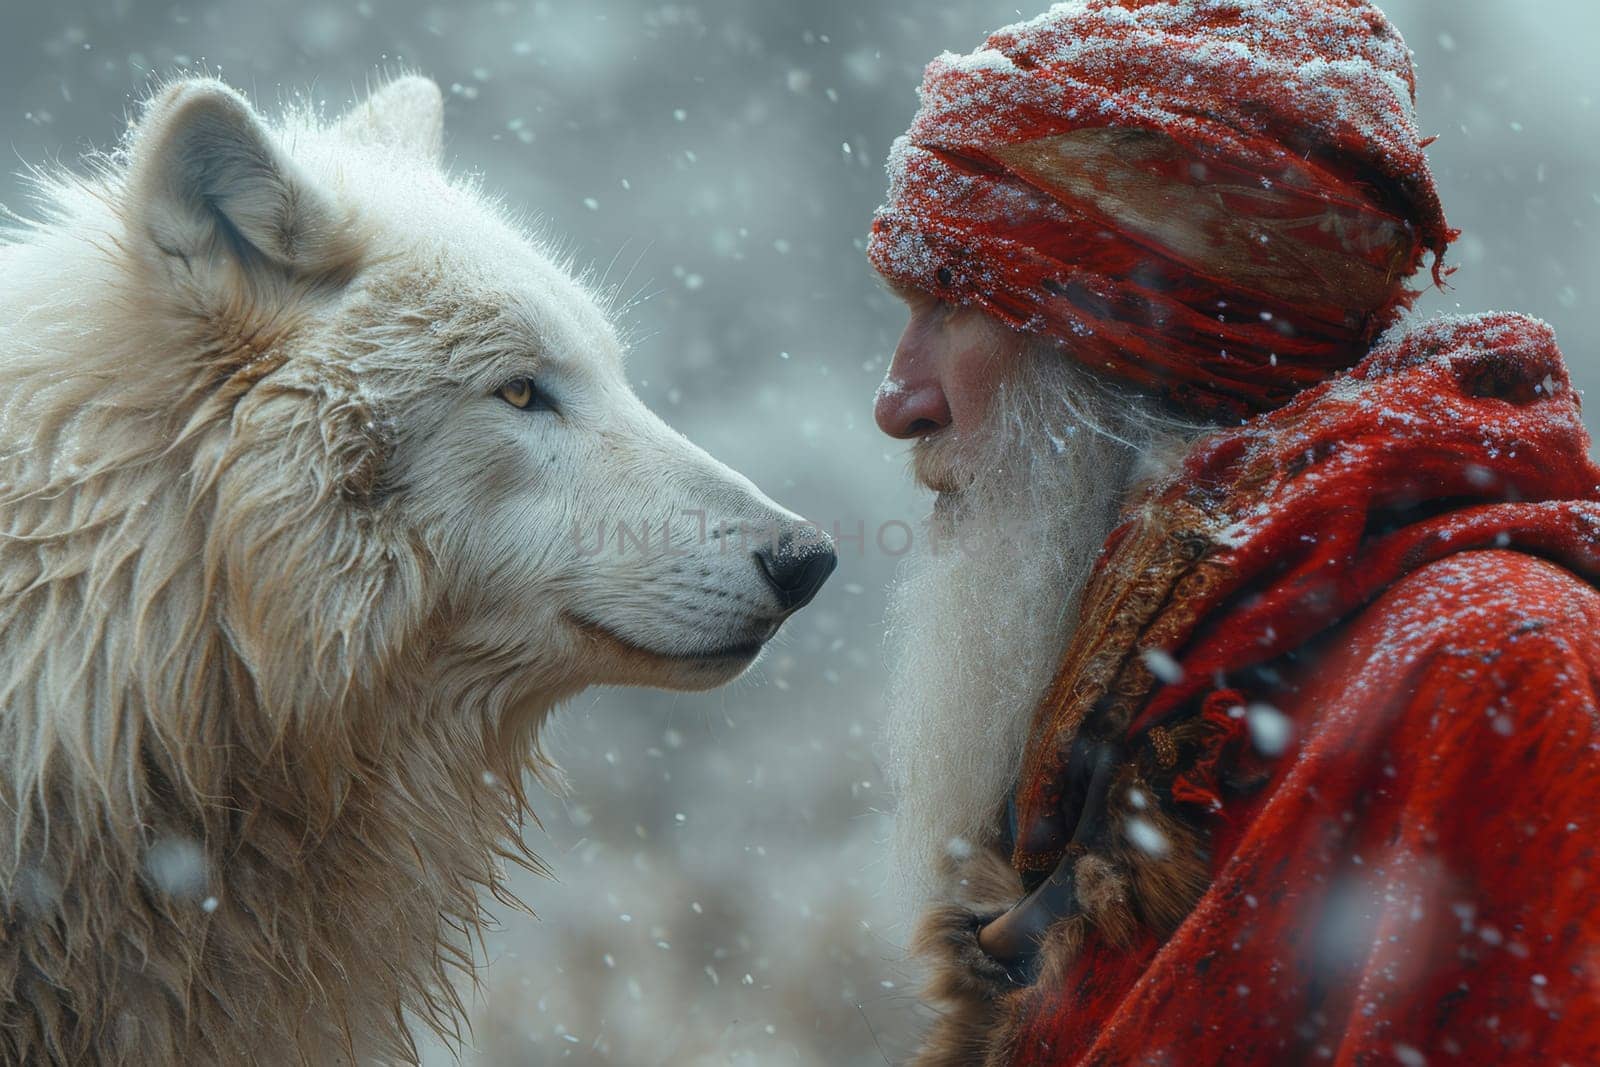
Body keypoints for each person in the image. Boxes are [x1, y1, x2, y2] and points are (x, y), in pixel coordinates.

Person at [869, 2, 1600, 1063]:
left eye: (950, 302)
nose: (900, 398)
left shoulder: (1494, 664)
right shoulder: (1164, 697)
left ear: (1130, 340)